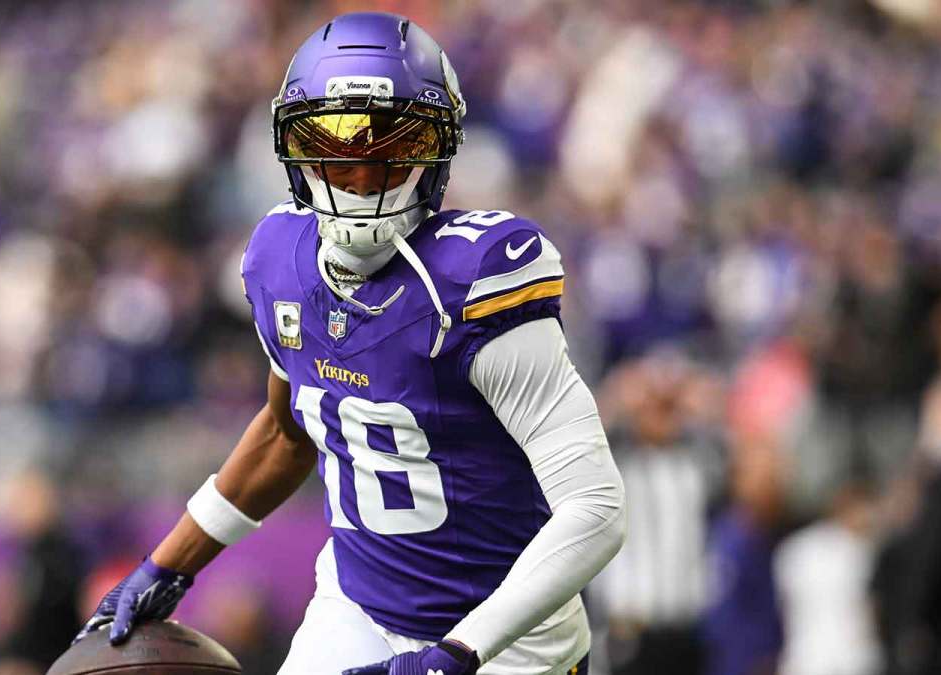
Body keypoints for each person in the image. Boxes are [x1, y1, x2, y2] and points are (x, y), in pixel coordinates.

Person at [74, 13, 626, 675]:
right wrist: (169, 563)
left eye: (392, 147)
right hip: (358, 607)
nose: (361, 177)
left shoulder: (475, 280)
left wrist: (454, 654)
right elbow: (286, 433)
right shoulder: (280, 260)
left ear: (438, 151)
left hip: (509, 637)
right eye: (334, 150)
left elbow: (595, 507)